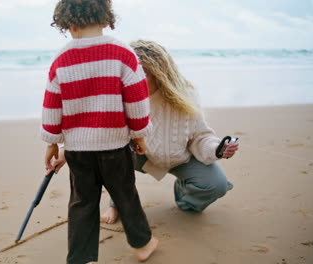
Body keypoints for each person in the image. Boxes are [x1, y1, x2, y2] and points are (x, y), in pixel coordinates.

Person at [48, 39, 239, 225]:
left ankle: (185, 198)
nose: (132, 80)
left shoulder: (186, 94)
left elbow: (200, 136)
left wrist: (218, 148)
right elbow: (96, 127)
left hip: (179, 156)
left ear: (159, 73)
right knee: (109, 156)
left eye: (141, 74)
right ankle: (116, 204)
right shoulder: (119, 93)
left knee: (216, 184)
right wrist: (66, 149)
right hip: (139, 155)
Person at [41, 1, 158, 263]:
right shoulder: (122, 53)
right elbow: (137, 102)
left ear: (69, 23)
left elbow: (52, 105)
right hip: (115, 146)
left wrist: (51, 143)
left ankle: (79, 258)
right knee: (125, 196)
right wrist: (139, 135)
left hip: (77, 151)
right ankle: (142, 245)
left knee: (82, 203)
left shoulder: (61, 58)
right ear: (106, 20)